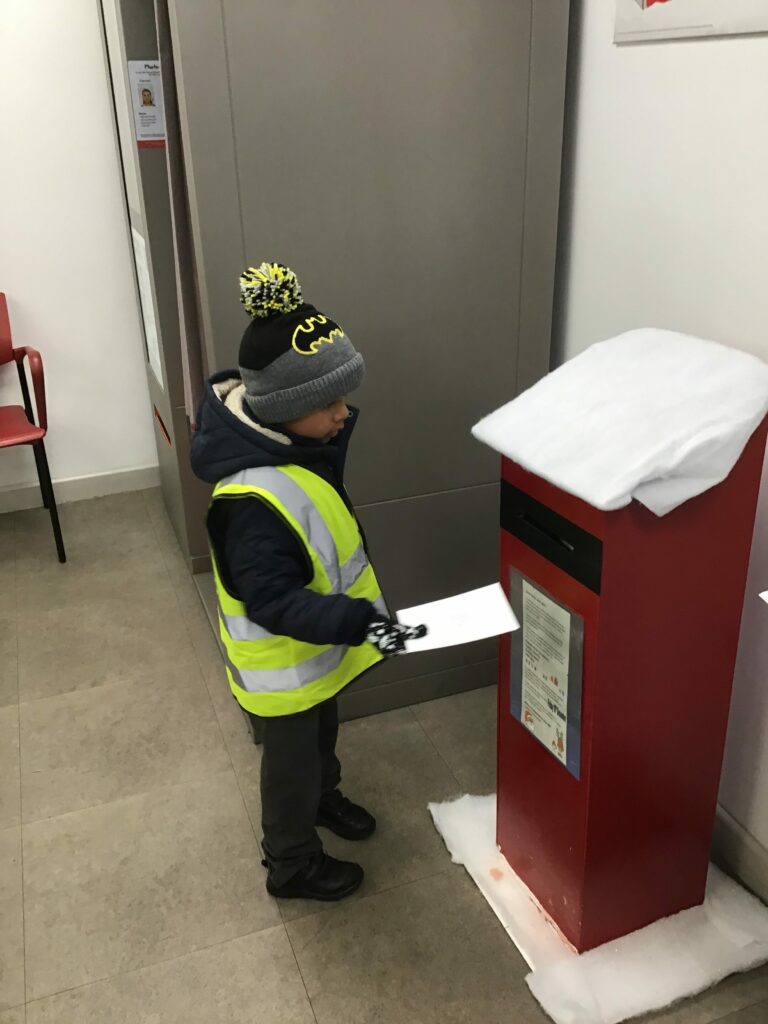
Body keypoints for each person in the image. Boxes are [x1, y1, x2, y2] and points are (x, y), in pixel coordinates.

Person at [191, 262, 427, 902]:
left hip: (314, 655)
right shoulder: (250, 499)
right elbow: (272, 601)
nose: (344, 414)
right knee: (289, 767)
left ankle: (324, 796)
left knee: (322, 737)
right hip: (283, 666)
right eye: (328, 404)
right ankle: (291, 862)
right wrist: (356, 621)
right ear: (284, 407)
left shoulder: (294, 449)